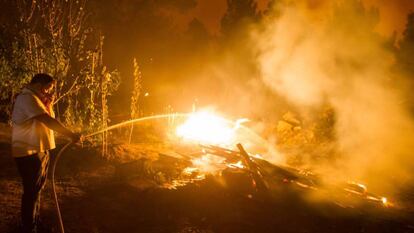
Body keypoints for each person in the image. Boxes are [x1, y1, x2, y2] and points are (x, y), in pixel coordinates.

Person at [11, 73, 81, 233]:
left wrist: (48, 102)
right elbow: (47, 121)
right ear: (38, 84)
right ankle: (29, 227)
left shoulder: (36, 99)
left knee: (37, 189)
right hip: (29, 152)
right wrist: (71, 134)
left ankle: (34, 222)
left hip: (39, 149)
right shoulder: (27, 98)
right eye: (48, 88)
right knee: (31, 191)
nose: (49, 92)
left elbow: (46, 117)